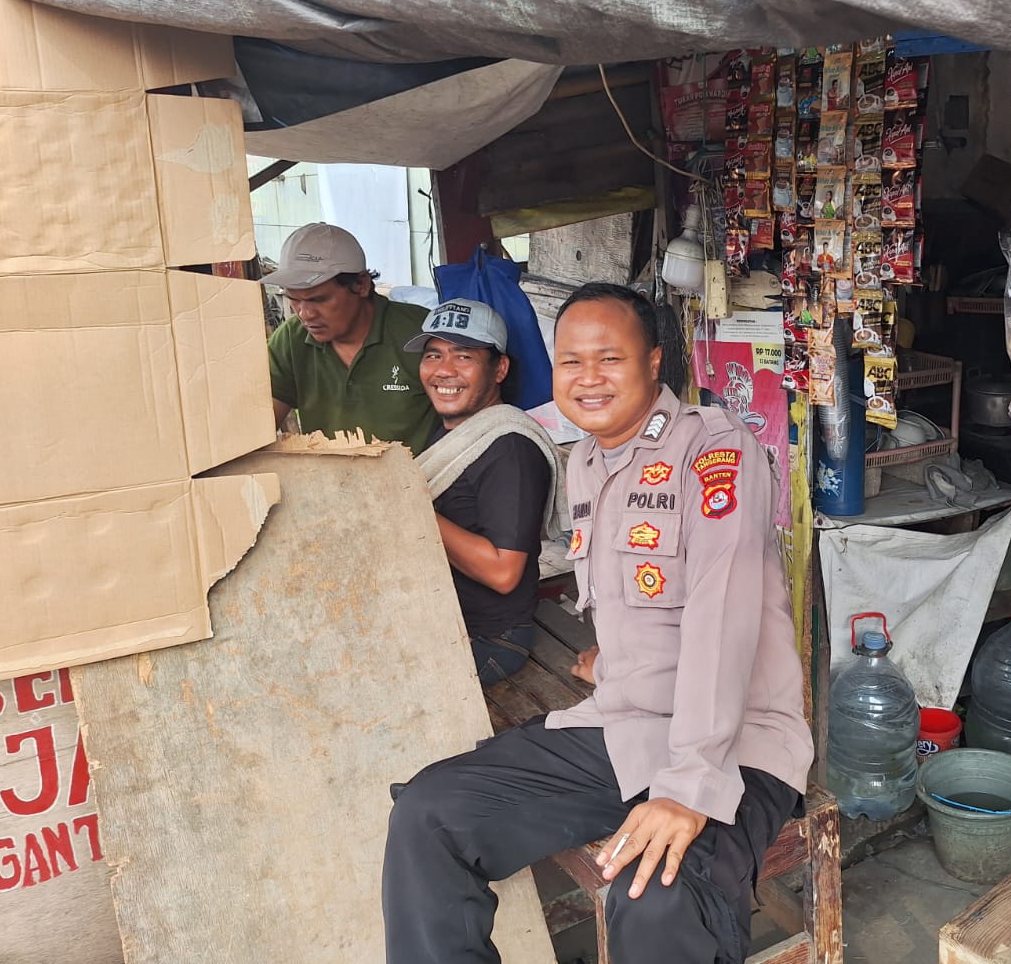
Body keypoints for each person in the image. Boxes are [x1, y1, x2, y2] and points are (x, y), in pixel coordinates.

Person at [383, 283, 812, 964]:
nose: (587, 379)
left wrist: (688, 787)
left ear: (653, 363)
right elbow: (632, 607)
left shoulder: (714, 450)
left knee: (657, 897)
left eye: (608, 359)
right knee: (428, 814)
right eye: (570, 362)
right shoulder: (583, 462)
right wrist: (610, 664)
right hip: (622, 729)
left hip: (733, 744)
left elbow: (719, 619)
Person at [409, 298, 565, 684]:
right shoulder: (455, 433)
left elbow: (502, 572)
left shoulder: (509, 449)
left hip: (489, 640)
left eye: (463, 357)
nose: (444, 371)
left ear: (500, 369)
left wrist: (408, 506)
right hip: (441, 622)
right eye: (433, 355)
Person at [263, 223, 437, 456]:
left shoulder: (422, 333)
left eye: (319, 300)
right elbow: (259, 425)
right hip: (330, 486)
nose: (304, 314)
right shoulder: (291, 340)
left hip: (421, 484)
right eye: (294, 299)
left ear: (362, 284)